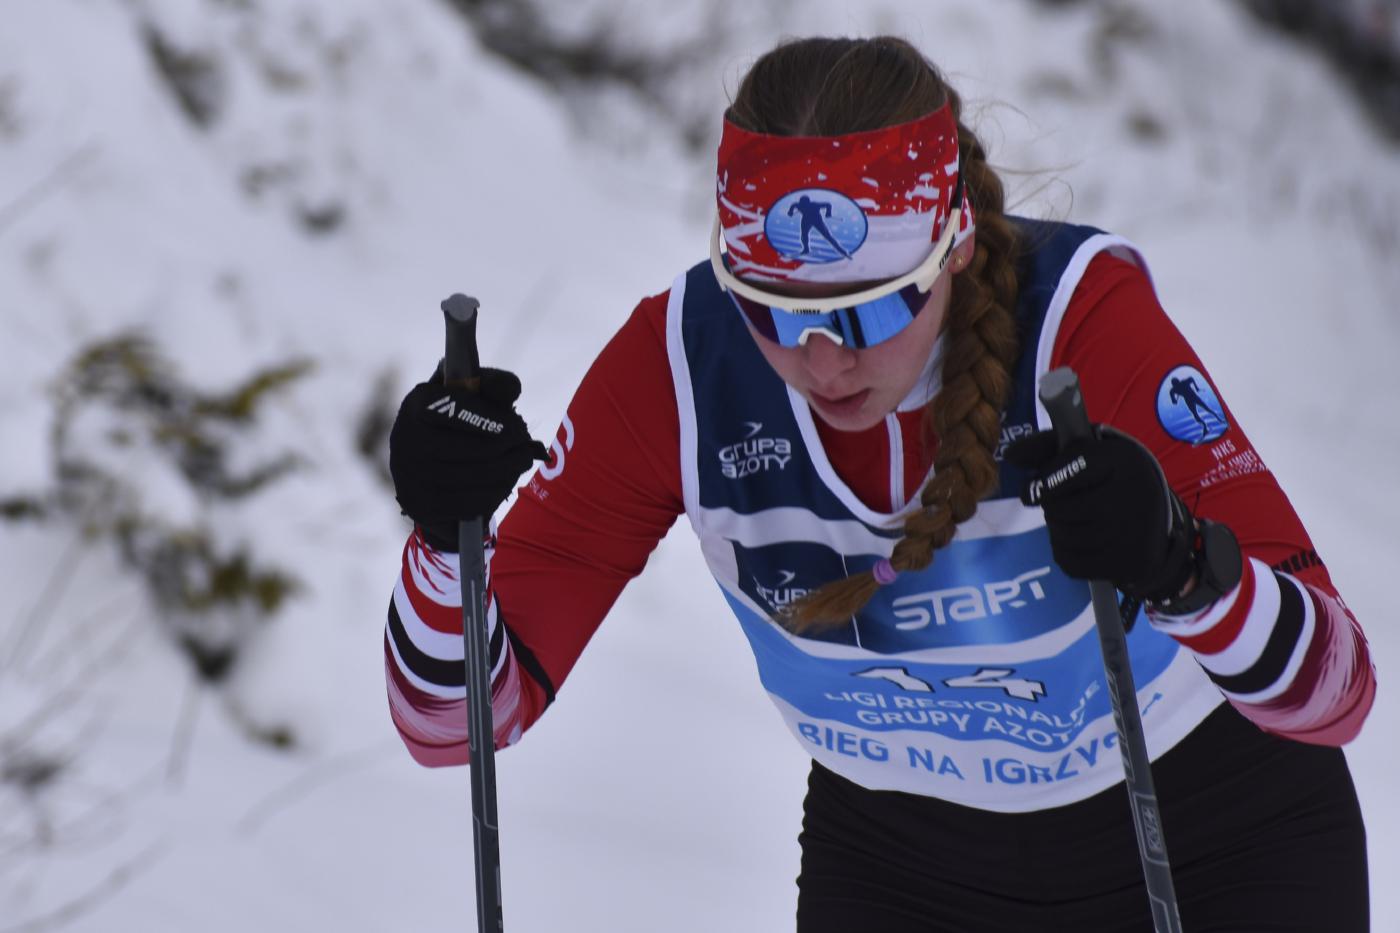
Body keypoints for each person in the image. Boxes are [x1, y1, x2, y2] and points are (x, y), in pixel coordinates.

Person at [384, 36, 1376, 931]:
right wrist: (440, 535)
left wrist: (1180, 569)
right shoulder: (681, 367)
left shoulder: (1076, 322)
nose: (823, 361)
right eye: (774, 310)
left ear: (953, 246)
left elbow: (1335, 692)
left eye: (868, 310)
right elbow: (453, 726)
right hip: (903, 872)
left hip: (1211, 842)